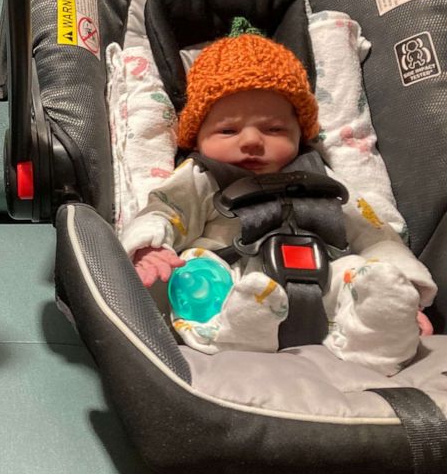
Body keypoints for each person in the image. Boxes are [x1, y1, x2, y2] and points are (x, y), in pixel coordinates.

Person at [120, 24, 436, 375]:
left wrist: (405, 294)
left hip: (322, 280)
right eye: (228, 130)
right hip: (231, 278)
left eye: (274, 130)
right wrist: (149, 246)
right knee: (195, 268)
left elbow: (374, 233)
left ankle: (376, 336)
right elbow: (167, 208)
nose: (253, 140)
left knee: (363, 276)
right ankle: (237, 331)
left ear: (301, 135)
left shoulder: (321, 177)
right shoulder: (201, 176)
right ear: (197, 138)